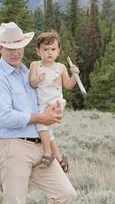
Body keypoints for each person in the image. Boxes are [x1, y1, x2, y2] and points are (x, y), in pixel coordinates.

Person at [0, 21, 76, 204]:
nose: (15, 52)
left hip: (39, 144)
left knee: (65, 194)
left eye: (19, 46)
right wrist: (40, 117)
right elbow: (5, 117)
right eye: (9, 47)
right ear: (0, 49)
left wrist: (53, 145)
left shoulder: (28, 73)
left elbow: (43, 107)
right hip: (12, 146)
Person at [27, 31, 80, 170]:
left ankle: (47, 152)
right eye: (45, 49)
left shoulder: (60, 67)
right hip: (42, 104)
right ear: (38, 51)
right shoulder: (35, 65)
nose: (49, 52)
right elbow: (31, 83)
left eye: (53, 49)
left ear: (58, 51)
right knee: (46, 131)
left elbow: (68, 85)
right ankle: (60, 159)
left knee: (41, 124)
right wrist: (38, 79)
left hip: (55, 104)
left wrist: (75, 75)